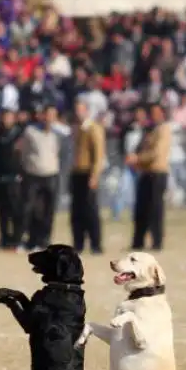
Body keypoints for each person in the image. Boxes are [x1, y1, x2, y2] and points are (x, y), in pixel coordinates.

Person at [127, 103, 171, 251]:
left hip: (157, 173)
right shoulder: (149, 130)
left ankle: (156, 242)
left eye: (156, 113)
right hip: (145, 173)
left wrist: (137, 159)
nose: (153, 116)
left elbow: (156, 153)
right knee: (141, 209)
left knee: (155, 210)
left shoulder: (163, 130)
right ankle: (137, 242)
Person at [18, 105, 61, 250]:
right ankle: (31, 239)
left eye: (53, 115)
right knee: (31, 209)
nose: (49, 119)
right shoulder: (30, 132)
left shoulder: (59, 133)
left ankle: (45, 240)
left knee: (49, 210)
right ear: (42, 116)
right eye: (47, 115)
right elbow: (23, 153)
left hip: (51, 174)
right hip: (33, 175)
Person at [69, 100, 105, 254]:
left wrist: (95, 175)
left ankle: (96, 244)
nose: (78, 113)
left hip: (88, 174)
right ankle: (78, 243)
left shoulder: (93, 129)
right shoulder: (77, 129)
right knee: (77, 211)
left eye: (81, 110)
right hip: (77, 173)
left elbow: (98, 155)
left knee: (90, 211)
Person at [0, 110, 24, 250]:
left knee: (15, 210)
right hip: (0, 178)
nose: (6, 120)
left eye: (9, 117)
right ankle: (4, 238)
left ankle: (16, 239)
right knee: (2, 211)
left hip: (15, 178)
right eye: (4, 117)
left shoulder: (19, 134)